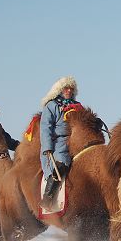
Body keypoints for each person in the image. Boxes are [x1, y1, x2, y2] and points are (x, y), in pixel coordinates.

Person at [39, 76, 82, 206]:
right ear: (60, 89)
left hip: (78, 140)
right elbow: (45, 127)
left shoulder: (78, 107)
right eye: (66, 88)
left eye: (71, 88)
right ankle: (48, 198)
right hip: (59, 143)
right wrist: (47, 147)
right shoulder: (51, 106)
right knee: (62, 163)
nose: (69, 90)